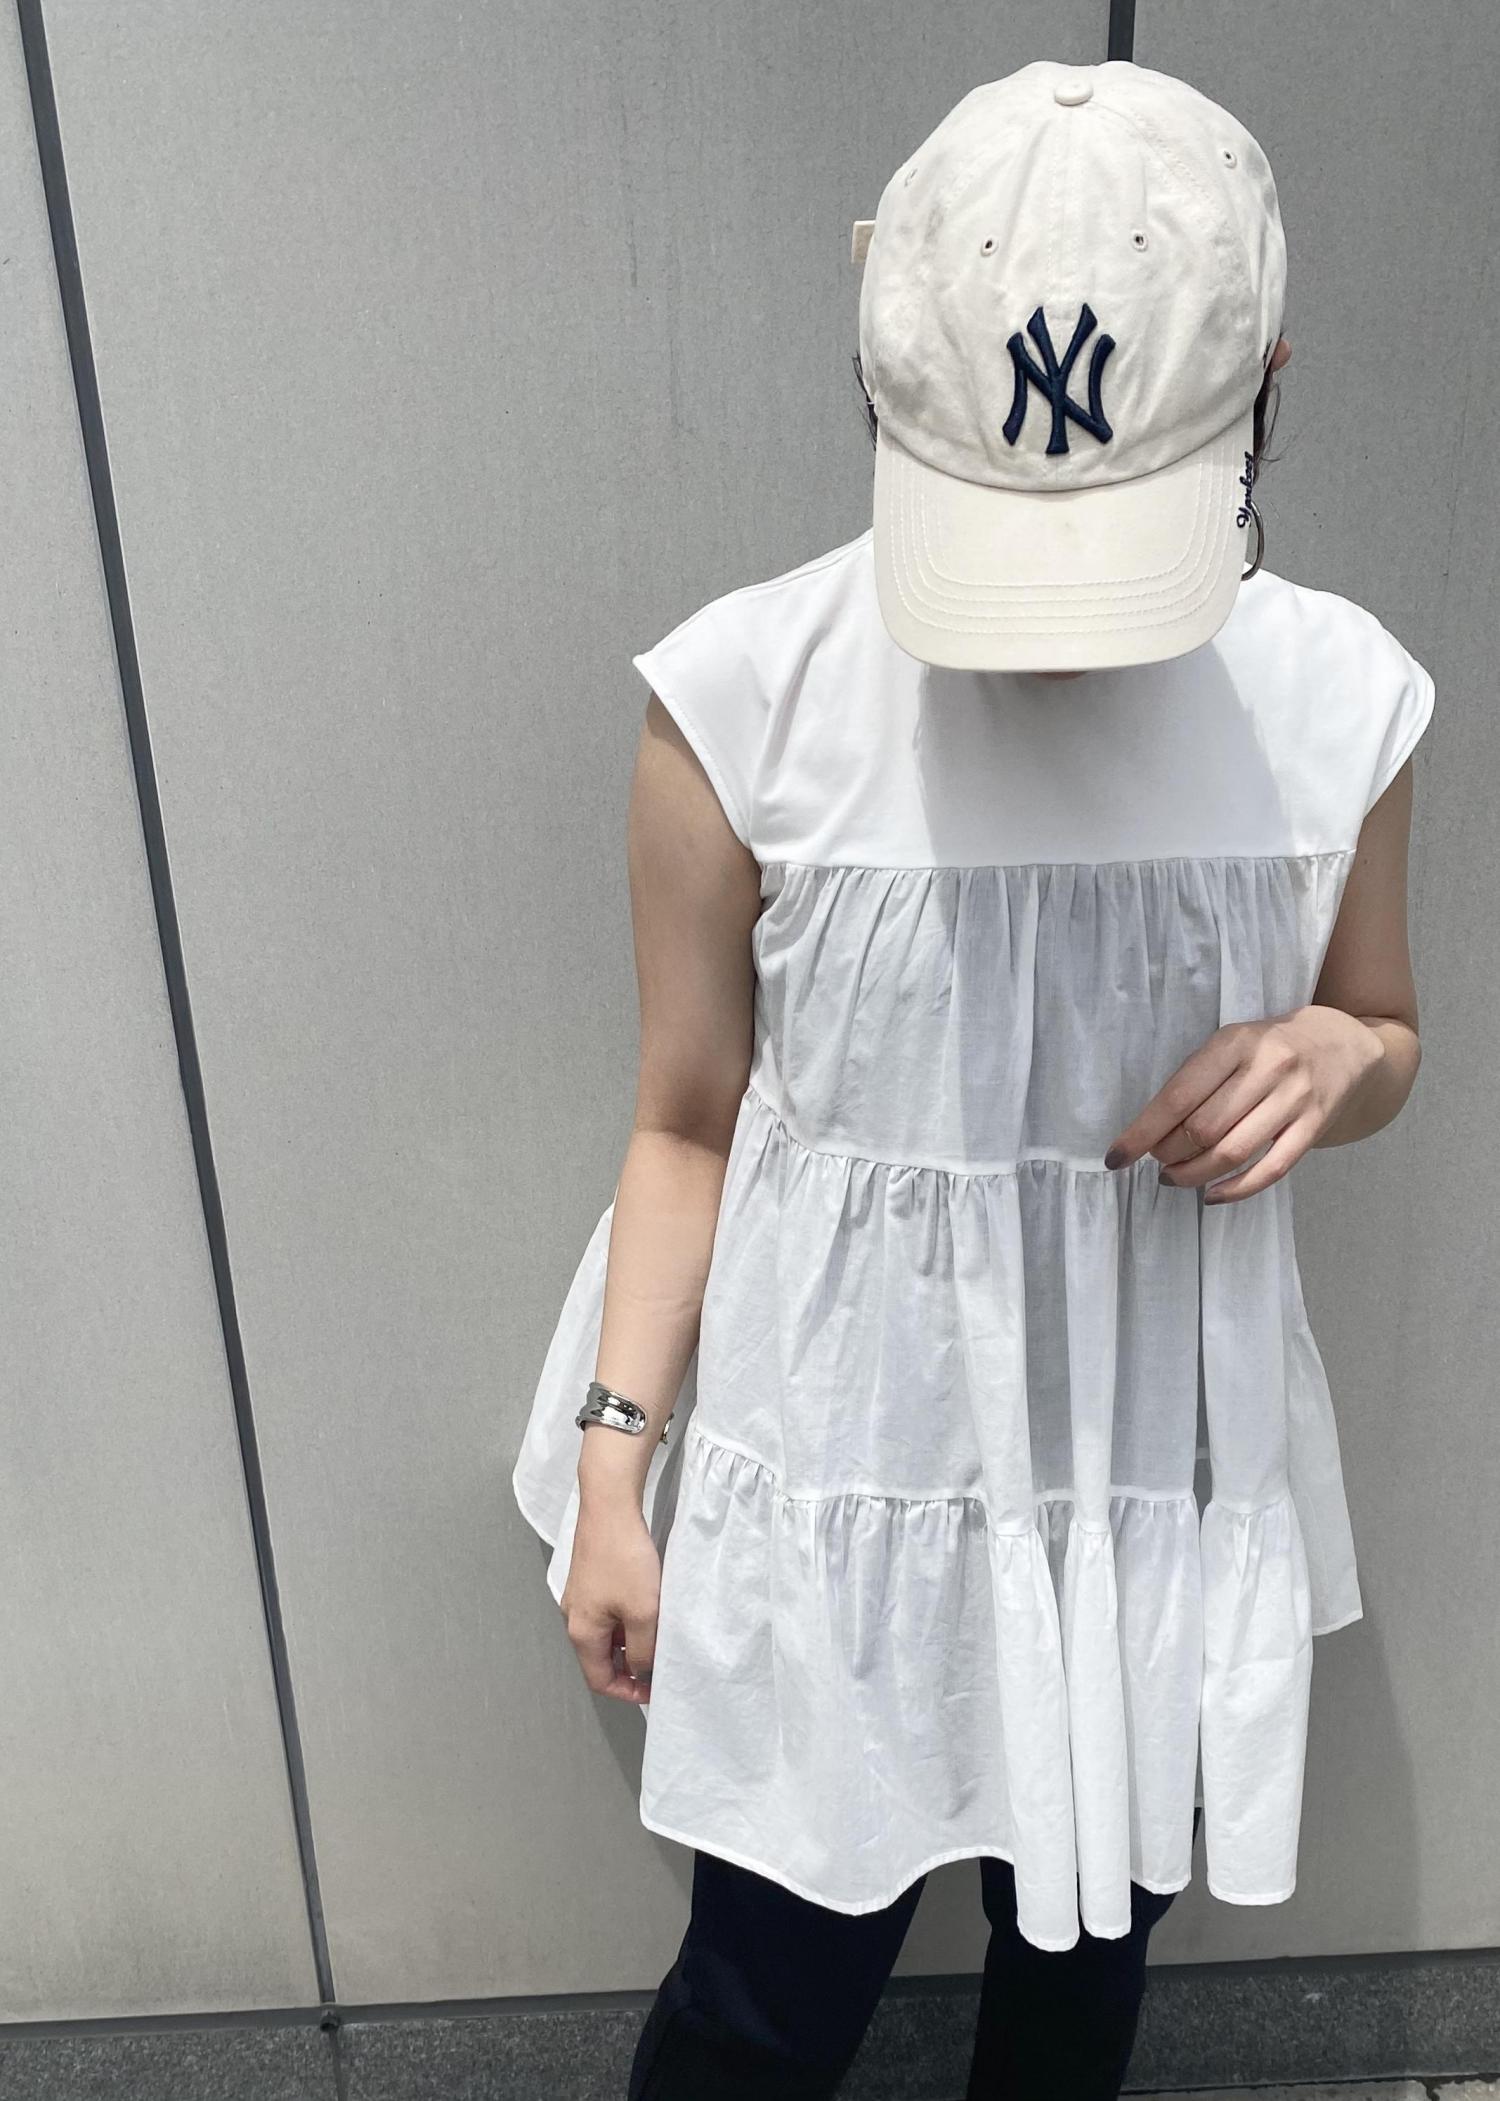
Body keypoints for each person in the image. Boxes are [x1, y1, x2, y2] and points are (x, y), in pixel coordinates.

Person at [512, 57, 1434, 2099]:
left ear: (1264, 386)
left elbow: (1390, 1030)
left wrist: (1332, 1054)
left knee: (1079, 1977)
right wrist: (613, 1472)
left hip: (1145, 1463)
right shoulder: (751, 701)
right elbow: (685, 1115)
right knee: (762, 1999)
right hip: (839, 1451)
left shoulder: (1337, 704)